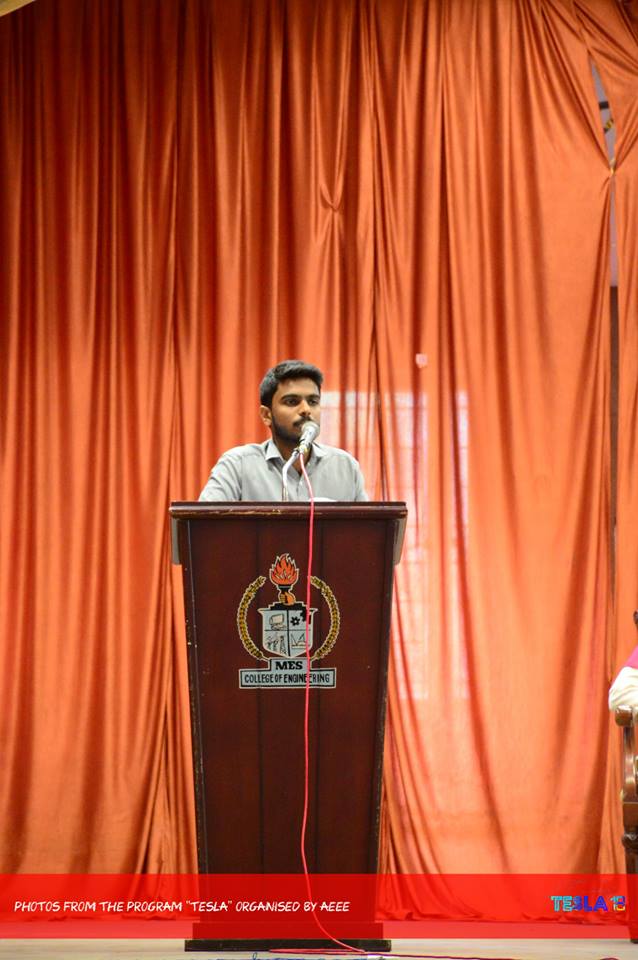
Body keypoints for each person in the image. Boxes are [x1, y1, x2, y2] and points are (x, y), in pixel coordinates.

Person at [199, 359, 369, 502]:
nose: (306, 410)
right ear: (267, 415)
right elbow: (205, 526)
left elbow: (368, 529)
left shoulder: (346, 466)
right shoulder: (238, 465)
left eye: (313, 401)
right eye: (292, 402)